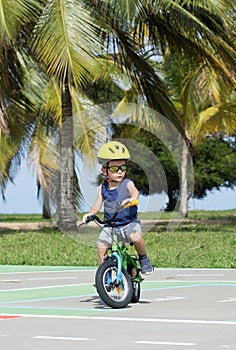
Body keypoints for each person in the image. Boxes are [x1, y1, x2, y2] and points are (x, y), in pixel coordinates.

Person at [83, 140, 153, 275]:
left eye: (123, 168)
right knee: (101, 246)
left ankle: (143, 259)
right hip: (110, 225)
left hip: (129, 223)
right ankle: (103, 273)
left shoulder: (127, 183)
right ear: (104, 171)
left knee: (136, 237)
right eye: (115, 169)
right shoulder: (102, 188)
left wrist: (132, 199)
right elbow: (97, 206)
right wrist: (90, 214)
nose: (120, 172)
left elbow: (134, 192)